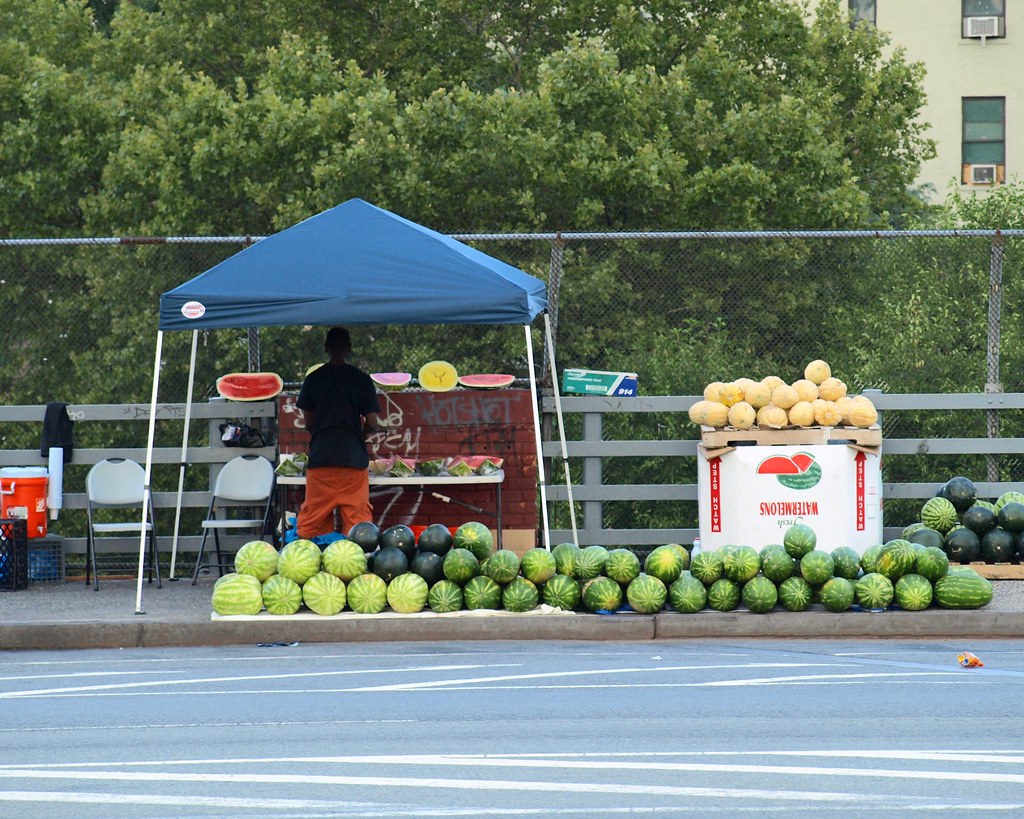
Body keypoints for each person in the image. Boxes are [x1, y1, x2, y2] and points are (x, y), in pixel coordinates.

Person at [295, 327, 385, 539]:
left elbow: (309, 422)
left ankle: (311, 566)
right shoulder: (361, 379)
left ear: (326, 347)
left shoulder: (314, 379)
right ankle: (354, 568)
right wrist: (359, 434)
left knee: (312, 523)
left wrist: (322, 432)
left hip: (322, 458)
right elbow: (373, 421)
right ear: (350, 349)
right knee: (358, 525)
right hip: (353, 459)